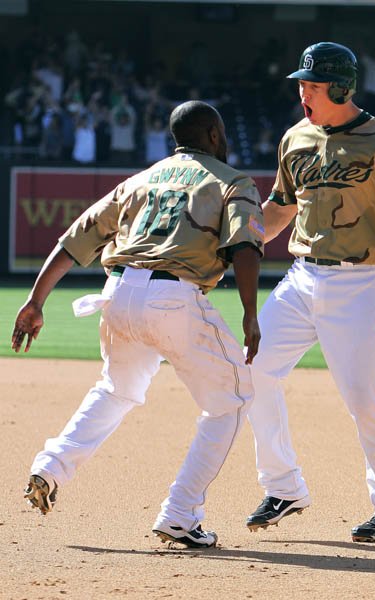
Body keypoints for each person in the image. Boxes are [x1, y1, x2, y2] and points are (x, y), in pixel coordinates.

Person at [12, 100, 264, 549]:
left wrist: (35, 300)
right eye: (221, 132)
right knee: (232, 398)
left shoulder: (141, 179)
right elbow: (245, 247)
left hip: (118, 291)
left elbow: (75, 239)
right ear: (211, 135)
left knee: (116, 389)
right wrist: (249, 312)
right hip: (173, 295)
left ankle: (50, 467)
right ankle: (180, 514)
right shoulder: (233, 181)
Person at [245, 42, 375, 543]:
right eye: (302, 83)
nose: (303, 91)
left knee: (365, 402)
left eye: (312, 83)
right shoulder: (295, 138)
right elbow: (279, 210)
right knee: (252, 371)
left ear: (342, 87)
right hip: (301, 277)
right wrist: (237, 246)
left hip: (361, 282)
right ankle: (283, 486)